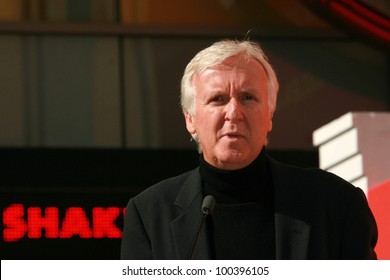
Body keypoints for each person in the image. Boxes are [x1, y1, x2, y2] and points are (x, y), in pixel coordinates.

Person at [121, 39, 377, 259]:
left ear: (270, 115)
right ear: (190, 119)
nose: (234, 113)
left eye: (247, 97)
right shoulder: (149, 215)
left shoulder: (336, 205)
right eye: (217, 99)